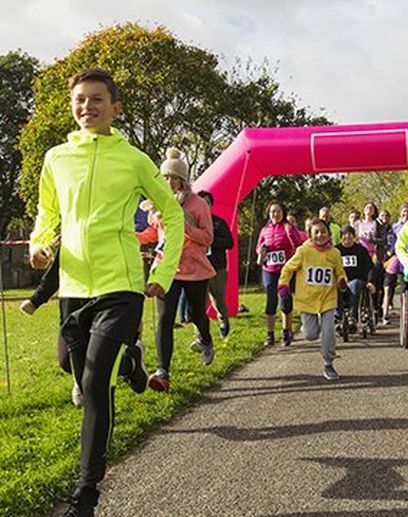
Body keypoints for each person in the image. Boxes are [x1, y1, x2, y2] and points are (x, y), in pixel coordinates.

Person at [28, 68, 184, 516]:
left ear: (114, 108)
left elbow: (172, 217)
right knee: (68, 363)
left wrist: (164, 270)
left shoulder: (134, 159)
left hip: (120, 285)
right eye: (80, 99)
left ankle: (86, 494)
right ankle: (132, 362)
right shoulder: (56, 157)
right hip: (74, 286)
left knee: (95, 382)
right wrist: (41, 243)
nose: (87, 107)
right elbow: (47, 212)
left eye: (97, 99)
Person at [138, 148, 217, 392]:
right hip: (166, 269)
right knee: (164, 319)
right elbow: (155, 233)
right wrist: (137, 238)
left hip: (194, 268)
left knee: (196, 314)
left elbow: (207, 238)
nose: (169, 182)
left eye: (174, 178)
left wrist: (185, 227)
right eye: (164, 178)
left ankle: (205, 337)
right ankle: (163, 371)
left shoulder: (198, 204)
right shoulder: (158, 205)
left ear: (183, 180)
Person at [278, 219, 347, 380]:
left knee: (329, 331)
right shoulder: (303, 251)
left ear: (329, 234)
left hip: (328, 298)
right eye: (316, 232)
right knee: (310, 335)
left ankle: (329, 364)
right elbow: (288, 268)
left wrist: (342, 280)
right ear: (310, 235)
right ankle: (306, 328)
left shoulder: (335, 253)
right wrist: (283, 284)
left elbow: (340, 271)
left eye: (323, 231)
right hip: (307, 299)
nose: (320, 235)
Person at [256, 203, 304, 347]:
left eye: (277, 211)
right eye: (272, 212)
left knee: (285, 299)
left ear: (282, 213)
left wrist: (290, 233)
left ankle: (286, 331)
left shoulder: (288, 227)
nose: (275, 214)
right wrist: (260, 251)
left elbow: (298, 245)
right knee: (271, 300)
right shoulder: (264, 230)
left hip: (285, 269)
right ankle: (270, 335)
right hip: (269, 269)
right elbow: (258, 247)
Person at [197, 190, 234, 338]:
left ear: (211, 205)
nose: (204, 205)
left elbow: (229, 243)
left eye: (207, 203)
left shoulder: (219, 222)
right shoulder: (192, 222)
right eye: (201, 203)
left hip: (217, 267)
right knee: (199, 303)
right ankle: (200, 335)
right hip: (198, 267)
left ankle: (223, 319)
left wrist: (211, 240)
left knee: (217, 299)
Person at [335, 225, 375, 331]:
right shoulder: (335, 251)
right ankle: (337, 317)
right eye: (344, 234)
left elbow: (370, 268)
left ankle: (352, 316)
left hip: (357, 281)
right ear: (341, 236)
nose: (347, 237)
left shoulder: (361, 250)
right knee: (337, 285)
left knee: (355, 284)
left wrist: (370, 281)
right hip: (340, 281)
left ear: (354, 236)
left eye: (350, 234)